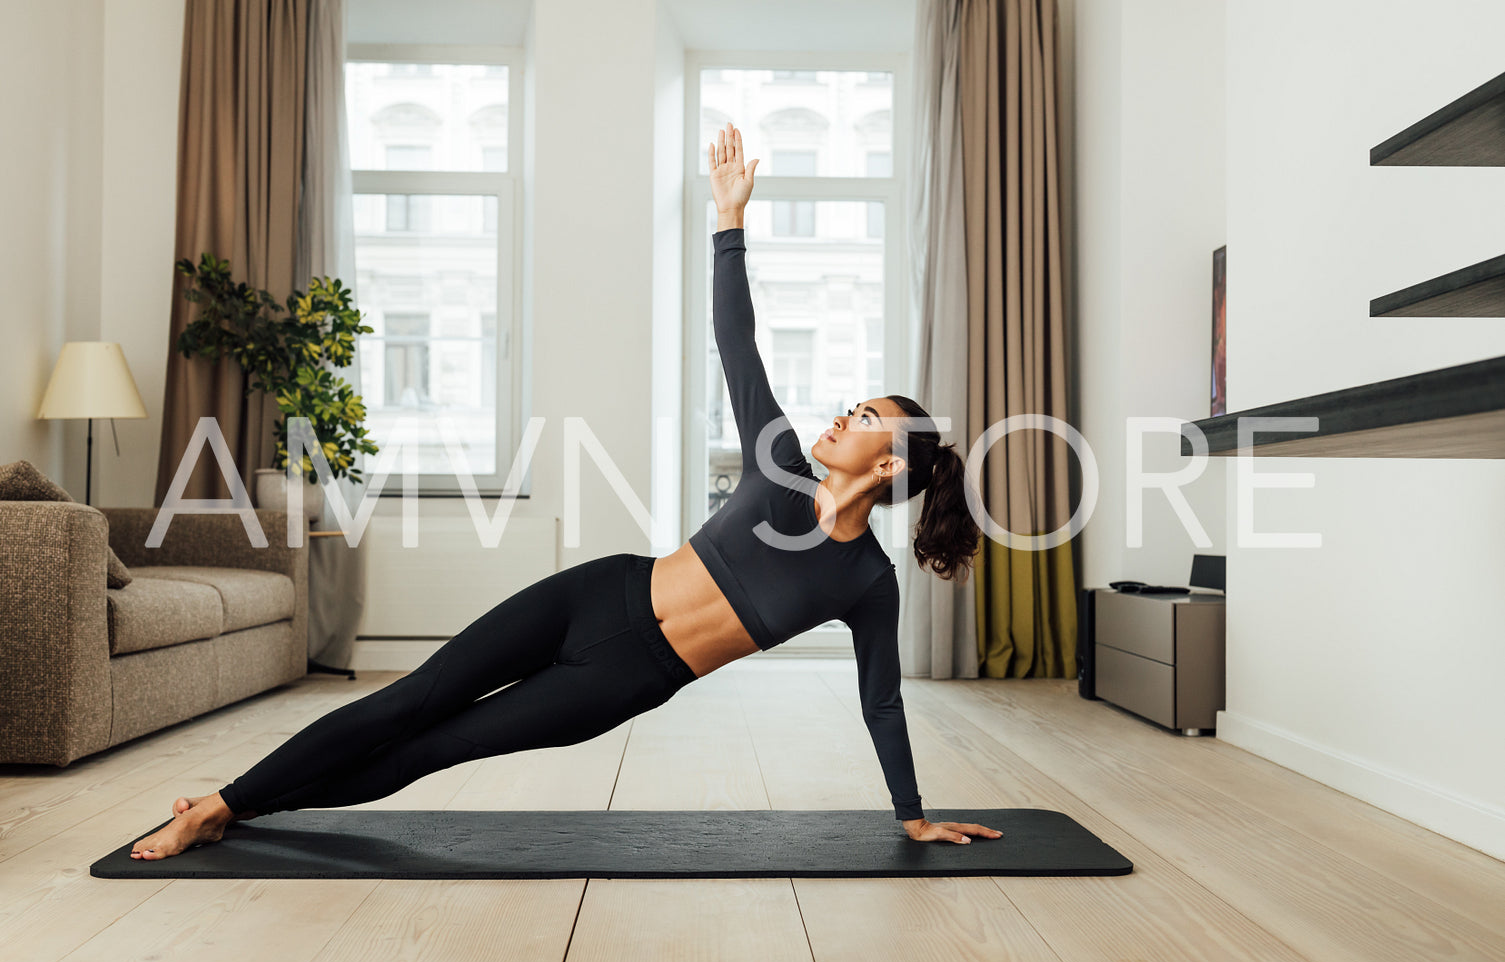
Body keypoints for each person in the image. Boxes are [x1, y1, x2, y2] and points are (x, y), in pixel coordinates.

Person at [130, 121, 1001, 860]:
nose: (843, 418)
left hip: (626, 677)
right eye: (850, 406)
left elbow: (880, 698)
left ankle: (238, 811)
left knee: (434, 749)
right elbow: (738, 340)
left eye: (865, 417)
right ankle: (223, 801)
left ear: (888, 465)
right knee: (409, 699)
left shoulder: (866, 583)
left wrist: (910, 814)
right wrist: (728, 221)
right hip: (600, 593)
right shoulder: (779, 460)